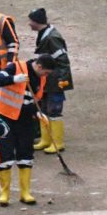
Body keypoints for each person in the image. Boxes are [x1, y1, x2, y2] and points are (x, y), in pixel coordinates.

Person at [0, 54, 56, 206]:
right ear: (39, 66)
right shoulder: (16, 67)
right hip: (5, 117)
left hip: (25, 120)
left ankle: (25, 193)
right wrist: (14, 79)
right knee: (5, 156)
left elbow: (34, 100)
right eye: (46, 72)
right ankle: (5, 193)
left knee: (26, 155)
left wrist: (38, 113)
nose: (46, 76)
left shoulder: (41, 78)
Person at [29, 8, 72, 154]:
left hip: (55, 82)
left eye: (31, 21)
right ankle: (46, 139)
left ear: (36, 22)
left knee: (54, 111)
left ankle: (57, 142)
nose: (29, 24)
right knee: (44, 110)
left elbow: (63, 60)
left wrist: (62, 80)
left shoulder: (52, 38)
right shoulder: (45, 35)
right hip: (46, 81)